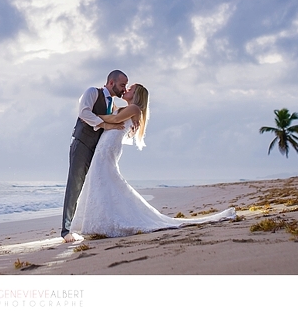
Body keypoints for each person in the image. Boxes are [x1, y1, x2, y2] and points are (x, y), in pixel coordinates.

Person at [70, 83, 236, 238]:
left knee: (104, 177)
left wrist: (89, 115)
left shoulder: (134, 108)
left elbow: (113, 120)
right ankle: (101, 218)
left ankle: (105, 220)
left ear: (137, 95)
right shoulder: (127, 108)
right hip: (106, 144)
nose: (126, 89)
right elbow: (111, 114)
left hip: (109, 146)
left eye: (131, 88)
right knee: (103, 180)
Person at [61, 70, 128, 242]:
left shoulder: (112, 104)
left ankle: (82, 225)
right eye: (122, 85)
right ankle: (66, 230)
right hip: (82, 143)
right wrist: (105, 124)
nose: (124, 89)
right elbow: (84, 113)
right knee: (75, 184)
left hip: (97, 149)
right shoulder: (92, 92)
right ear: (111, 83)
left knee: (90, 187)